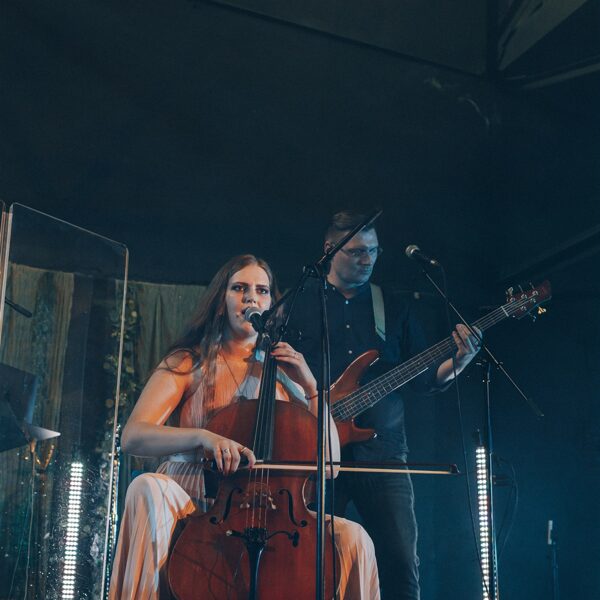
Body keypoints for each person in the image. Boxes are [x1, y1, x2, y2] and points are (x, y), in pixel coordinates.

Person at [108, 254, 380, 600]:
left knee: (354, 538)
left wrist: (311, 387)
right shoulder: (189, 361)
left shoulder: (283, 374)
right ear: (220, 301)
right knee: (147, 487)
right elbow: (133, 436)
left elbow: (331, 466)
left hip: (268, 509)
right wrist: (203, 437)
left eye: (262, 291)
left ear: (272, 306)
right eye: (239, 288)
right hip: (192, 498)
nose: (251, 298)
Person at [286, 211, 481, 599]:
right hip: (315, 453)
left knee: (401, 562)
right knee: (309, 562)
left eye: (373, 251)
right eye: (358, 251)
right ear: (330, 250)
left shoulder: (391, 305)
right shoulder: (299, 302)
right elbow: (272, 371)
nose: (368, 259)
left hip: (383, 455)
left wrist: (459, 362)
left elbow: (425, 378)